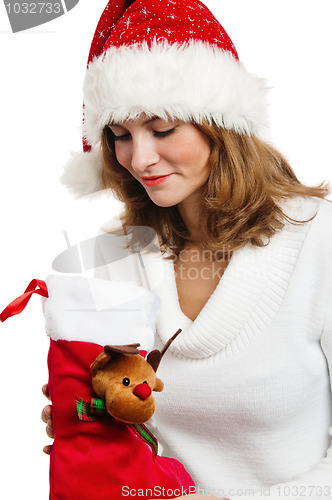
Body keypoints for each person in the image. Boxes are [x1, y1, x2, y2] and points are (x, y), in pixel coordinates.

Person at [42, 0, 332, 499]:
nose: (140, 158)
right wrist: (96, 424)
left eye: (162, 129)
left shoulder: (316, 240)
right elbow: (131, 427)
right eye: (119, 135)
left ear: (220, 124)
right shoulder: (119, 251)